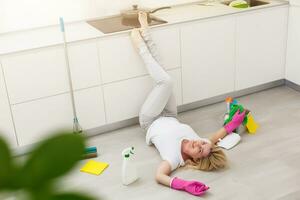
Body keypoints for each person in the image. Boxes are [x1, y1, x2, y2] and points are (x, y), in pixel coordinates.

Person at [130, 11, 246, 196]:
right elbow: (218, 135)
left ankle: (140, 46)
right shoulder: (205, 143)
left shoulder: (175, 159)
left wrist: (183, 185)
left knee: (166, 81)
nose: (198, 144)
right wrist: (234, 123)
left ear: (196, 159)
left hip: (150, 120)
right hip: (169, 114)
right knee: (165, 74)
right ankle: (145, 32)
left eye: (200, 150)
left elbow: (159, 175)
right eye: (202, 143)